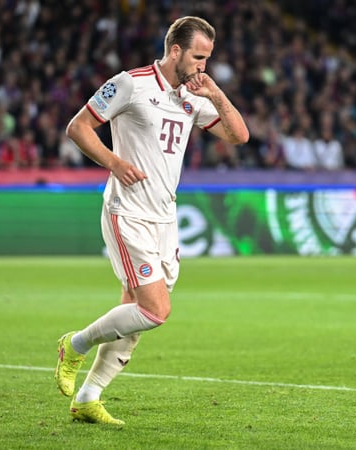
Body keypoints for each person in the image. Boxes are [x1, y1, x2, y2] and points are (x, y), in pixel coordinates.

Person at [57, 16, 249, 425]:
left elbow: (239, 136)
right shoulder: (131, 83)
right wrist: (114, 162)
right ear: (175, 51)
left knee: (135, 311)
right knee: (155, 309)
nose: (203, 66)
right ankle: (74, 345)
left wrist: (214, 93)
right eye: (198, 57)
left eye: (208, 59)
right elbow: (78, 127)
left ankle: (88, 397)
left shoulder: (193, 95)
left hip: (165, 217)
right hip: (127, 211)